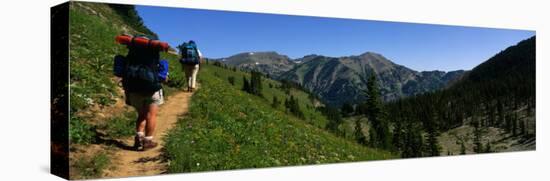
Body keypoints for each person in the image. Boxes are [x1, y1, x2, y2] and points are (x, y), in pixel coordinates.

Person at [117, 36, 169, 151]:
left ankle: (138, 138)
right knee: (151, 115)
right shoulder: (155, 59)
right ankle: (148, 141)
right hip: (151, 90)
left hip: (133, 89)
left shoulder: (130, 57)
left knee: (141, 115)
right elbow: (163, 78)